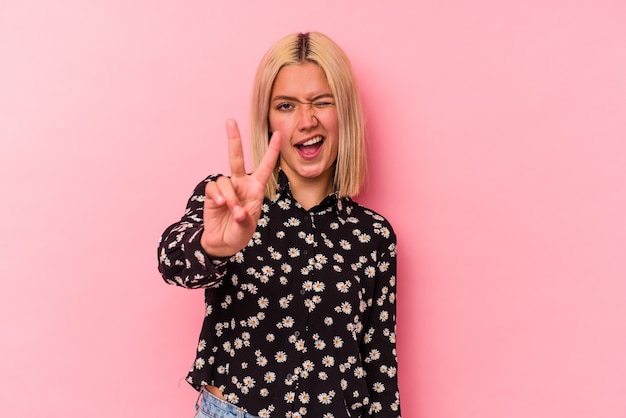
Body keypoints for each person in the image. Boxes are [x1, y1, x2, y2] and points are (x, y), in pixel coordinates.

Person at [158, 31, 401, 418]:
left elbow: (378, 361)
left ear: (345, 113)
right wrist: (213, 246)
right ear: (268, 118)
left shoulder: (373, 236)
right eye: (286, 105)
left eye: (323, 102)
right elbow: (172, 264)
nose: (306, 121)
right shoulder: (228, 201)